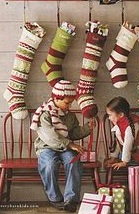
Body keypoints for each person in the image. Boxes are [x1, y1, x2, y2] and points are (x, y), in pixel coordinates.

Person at [30, 80, 96, 212]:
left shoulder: (70, 116)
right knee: (49, 164)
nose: (69, 105)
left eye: (71, 102)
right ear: (56, 98)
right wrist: (70, 144)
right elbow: (50, 137)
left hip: (65, 148)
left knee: (74, 161)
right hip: (47, 147)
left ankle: (71, 199)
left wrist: (87, 129)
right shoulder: (44, 114)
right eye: (67, 102)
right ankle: (55, 198)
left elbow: (73, 133)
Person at [104, 96, 139, 170]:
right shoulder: (121, 123)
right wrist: (113, 157)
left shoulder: (131, 125)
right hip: (133, 152)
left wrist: (124, 162)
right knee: (113, 161)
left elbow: (128, 144)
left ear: (121, 114)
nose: (109, 118)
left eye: (110, 115)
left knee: (116, 163)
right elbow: (119, 141)